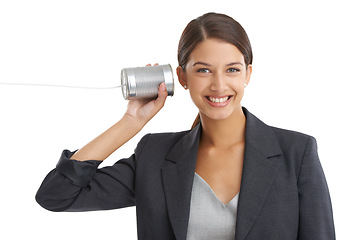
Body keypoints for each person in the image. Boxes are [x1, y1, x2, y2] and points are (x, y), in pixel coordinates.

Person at [36, 12, 336, 240]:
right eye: (203, 70)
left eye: (232, 69)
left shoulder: (296, 153)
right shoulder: (155, 155)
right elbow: (56, 195)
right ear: (181, 77)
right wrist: (130, 123)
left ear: (247, 74)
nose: (219, 85)